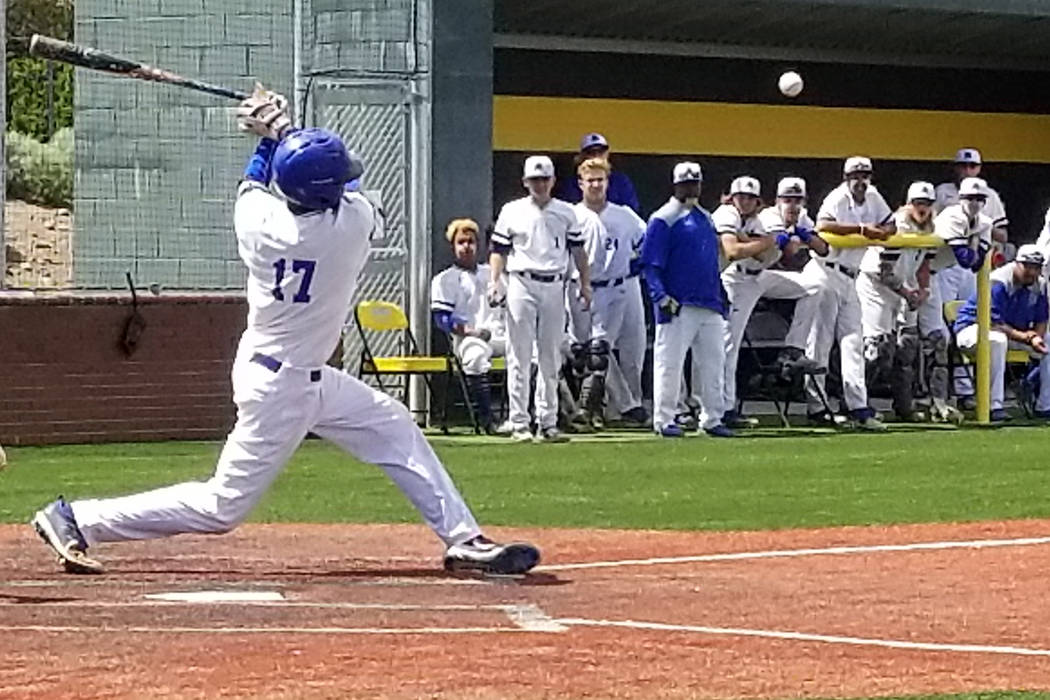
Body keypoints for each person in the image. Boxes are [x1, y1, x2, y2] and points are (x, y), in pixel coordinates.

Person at [30, 89, 540, 577]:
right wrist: (283, 126)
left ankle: (462, 538)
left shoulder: (259, 222)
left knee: (394, 424)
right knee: (222, 506)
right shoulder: (349, 228)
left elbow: (255, 180)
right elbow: (346, 187)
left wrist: (270, 136)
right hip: (282, 387)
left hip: (293, 370)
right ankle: (77, 518)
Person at [490, 155, 592, 443]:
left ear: (553, 181)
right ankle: (519, 420)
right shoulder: (512, 210)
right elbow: (499, 249)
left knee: (551, 355)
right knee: (519, 353)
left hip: (554, 283)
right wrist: (494, 281)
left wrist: (585, 283)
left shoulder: (566, 212)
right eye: (535, 180)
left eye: (544, 179)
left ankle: (547, 421)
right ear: (525, 182)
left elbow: (578, 251)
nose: (540, 185)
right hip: (522, 280)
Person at [719, 176, 824, 428]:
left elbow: (823, 250)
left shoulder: (797, 218)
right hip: (736, 280)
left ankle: (792, 350)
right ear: (777, 201)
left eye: (797, 200)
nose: (793, 205)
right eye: (787, 200)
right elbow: (783, 252)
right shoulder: (769, 217)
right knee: (727, 346)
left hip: (760, 278)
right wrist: (784, 240)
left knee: (814, 287)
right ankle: (724, 408)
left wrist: (804, 235)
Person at [641, 162, 732, 438]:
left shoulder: (706, 217)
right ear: (675, 185)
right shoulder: (663, 218)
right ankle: (664, 418)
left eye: (694, 183)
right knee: (669, 363)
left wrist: (722, 295)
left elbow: (712, 263)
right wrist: (660, 296)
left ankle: (713, 417)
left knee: (715, 363)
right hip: (678, 304)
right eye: (685, 184)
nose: (690, 188)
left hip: (709, 302)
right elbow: (650, 263)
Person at [809, 156, 894, 431]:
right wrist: (860, 230)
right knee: (819, 344)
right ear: (846, 178)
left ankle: (858, 407)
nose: (860, 180)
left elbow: (891, 224)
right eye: (855, 175)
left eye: (865, 174)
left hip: (851, 276)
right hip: (826, 271)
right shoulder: (837, 197)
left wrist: (879, 232)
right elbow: (822, 225)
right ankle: (817, 407)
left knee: (853, 343)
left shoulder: (873, 196)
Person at [565, 158, 647, 430]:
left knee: (600, 351)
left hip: (614, 287)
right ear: (580, 183)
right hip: (579, 288)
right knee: (580, 353)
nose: (596, 184)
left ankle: (592, 412)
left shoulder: (624, 216)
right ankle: (604, 409)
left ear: (608, 182)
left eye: (600, 179)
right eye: (590, 180)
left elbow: (645, 243)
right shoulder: (571, 215)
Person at [856, 182, 936, 421]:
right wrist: (907, 293)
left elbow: (924, 264)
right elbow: (884, 271)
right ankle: (857, 403)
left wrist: (923, 290)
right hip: (876, 286)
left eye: (927, 204)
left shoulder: (931, 227)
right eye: (918, 203)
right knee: (878, 348)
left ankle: (904, 406)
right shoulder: (898, 224)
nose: (922, 208)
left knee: (907, 348)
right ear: (908, 204)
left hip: (904, 284)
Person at [954, 244, 1050, 421]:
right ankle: (994, 406)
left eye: (1036, 267)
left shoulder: (1040, 284)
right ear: (1017, 263)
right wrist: (1027, 337)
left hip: (1011, 333)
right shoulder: (999, 281)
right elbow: (992, 323)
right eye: (1027, 266)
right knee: (997, 340)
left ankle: (1045, 405)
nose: (1032, 272)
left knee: (1049, 340)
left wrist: (1036, 336)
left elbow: (1042, 319)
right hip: (972, 329)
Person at [430, 218, 506, 434]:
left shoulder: (491, 273)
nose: (467, 247)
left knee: (534, 354)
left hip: (498, 335)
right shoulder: (445, 279)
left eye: (471, 241)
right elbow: (442, 320)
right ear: (453, 246)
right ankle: (487, 419)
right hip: (468, 338)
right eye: (461, 242)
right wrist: (470, 332)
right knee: (475, 358)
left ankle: (528, 417)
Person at [930, 176, 995, 411]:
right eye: (970, 198)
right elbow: (967, 258)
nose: (974, 203)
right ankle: (929, 394)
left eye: (979, 199)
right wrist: (975, 240)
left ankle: (962, 392)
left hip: (941, 271)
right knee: (933, 336)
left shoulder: (984, 222)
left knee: (955, 332)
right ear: (961, 199)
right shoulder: (952, 215)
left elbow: (977, 265)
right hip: (928, 271)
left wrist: (974, 240)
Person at [934, 148, 1008, 243]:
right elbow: (929, 225)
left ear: (979, 168)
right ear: (955, 168)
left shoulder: (990, 195)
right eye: (963, 166)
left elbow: (1003, 236)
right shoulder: (942, 191)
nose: (967, 171)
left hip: (980, 250)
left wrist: (979, 225)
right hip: (946, 249)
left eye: (972, 166)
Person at [555, 133, 641, 213]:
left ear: (607, 153)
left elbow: (631, 211)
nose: (596, 156)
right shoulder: (572, 183)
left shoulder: (620, 180)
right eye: (591, 152)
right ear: (582, 156)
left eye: (600, 152)